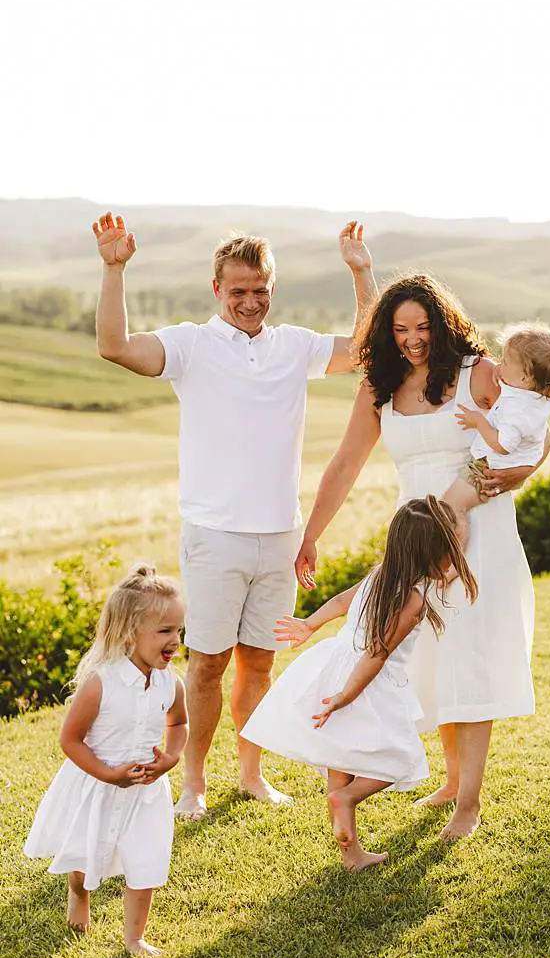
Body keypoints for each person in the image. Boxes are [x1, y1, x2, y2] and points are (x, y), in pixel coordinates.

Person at [93, 214, 375, 821]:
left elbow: (366, 350)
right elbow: (115, 347)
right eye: (238, 290)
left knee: (259, 663)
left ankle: (251, 773)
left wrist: (361, 271)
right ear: (217, 289)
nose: (250, 301)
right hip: (214, 536)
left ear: (273, 288)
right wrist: (114, 270)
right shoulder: (191, 346)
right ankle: (193, 782)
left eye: (260, 290)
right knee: (208, 666)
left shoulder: (294, 346)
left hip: (280, 535)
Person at [296, 274, 550, 841]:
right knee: (432, 657)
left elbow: (536, 425)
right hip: (416, 537)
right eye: (401, 329)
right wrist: (311, 534)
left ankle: (469, 802)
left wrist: (523, 470)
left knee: (471, 656)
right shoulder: (379, 388)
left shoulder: (477, 373)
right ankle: (451, 778)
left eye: (423, 327)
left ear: (444, 323)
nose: (413, 339)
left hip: (478, 529)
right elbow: (343, 464)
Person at [242, 496, 475, 872]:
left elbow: (339, 603)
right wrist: (346, 697)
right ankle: (348, 798)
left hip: (335, 666)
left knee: (341, 759)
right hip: (365, 683)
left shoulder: (382, 573)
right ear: (434, 553)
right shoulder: (412, 600)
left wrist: (309, 625)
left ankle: (351, 856)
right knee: (400, 758)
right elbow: (378, 655)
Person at [24, 565, 189, 958]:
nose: (176, 641)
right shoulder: (101, 682)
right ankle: (78, 894)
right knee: (85, 860)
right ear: (131, 631)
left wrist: (171, 758)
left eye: (179, 630)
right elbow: (71, 739)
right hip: (97, 784)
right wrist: (108, 774)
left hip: (146, 793)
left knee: (145, 863)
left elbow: (179, 721)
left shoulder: (172, 683)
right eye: (165, 631)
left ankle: (134, 939)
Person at [444, 321, 550, 521]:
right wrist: (502, 373)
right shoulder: (533, 395)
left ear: (525, 378)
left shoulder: (518, 413)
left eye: (504, 363)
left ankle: (456, 548)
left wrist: (479, 422)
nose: (498, 365)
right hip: (507, 465)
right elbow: (516, 391)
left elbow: (504, 444)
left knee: (449, 510)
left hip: (490, 469)